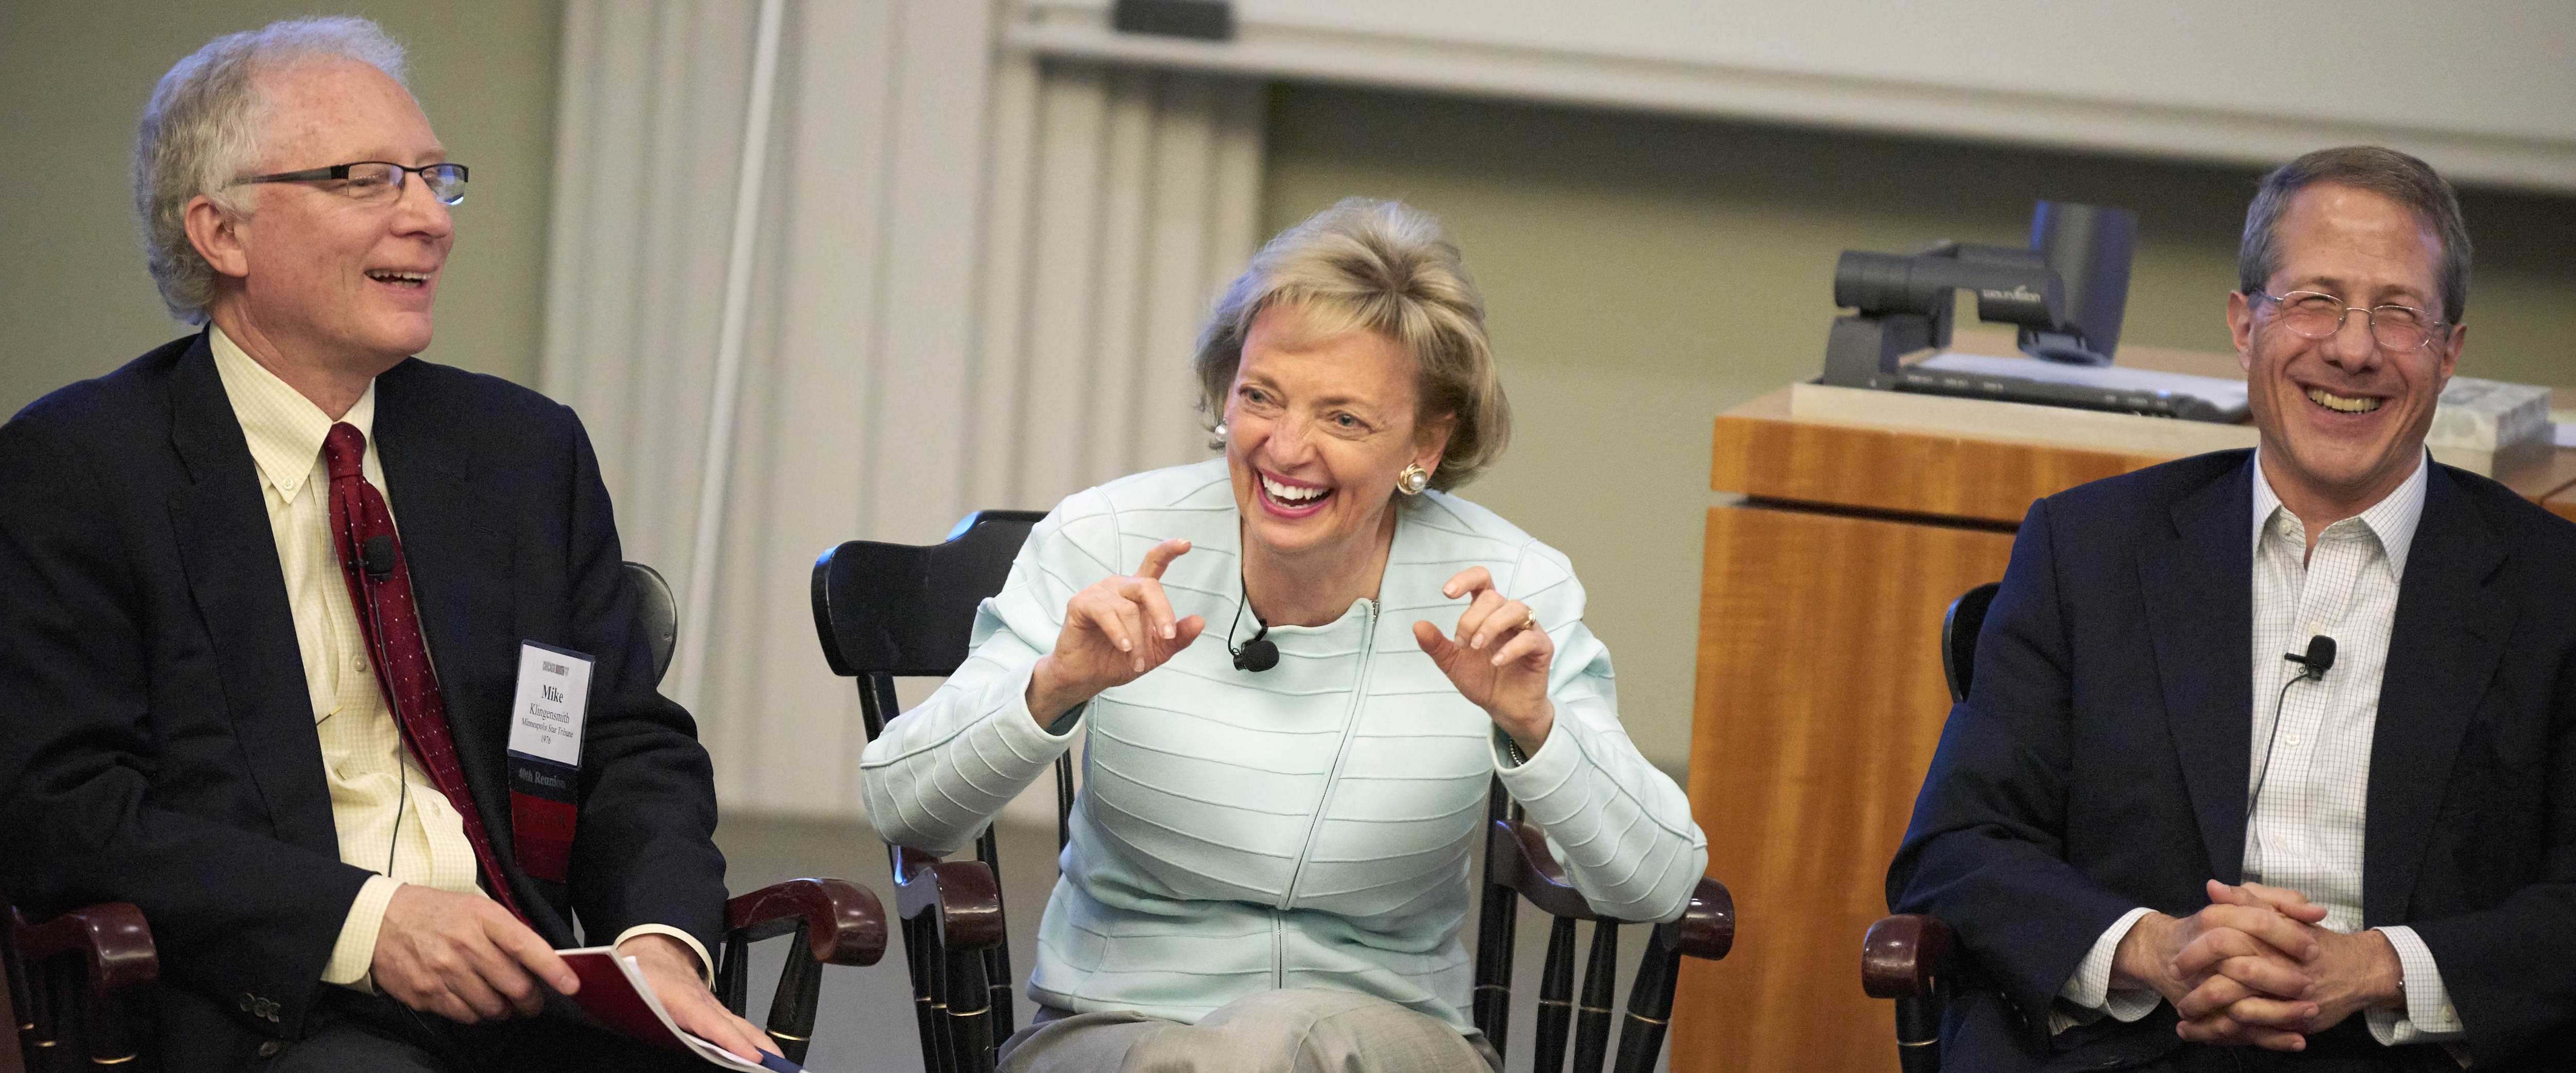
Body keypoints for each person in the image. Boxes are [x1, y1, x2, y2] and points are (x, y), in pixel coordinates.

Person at [0, 19, 778, 1071]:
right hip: (274, 1010)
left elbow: (626, 745)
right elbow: (68, 808)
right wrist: (370, 925)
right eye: (366, 180)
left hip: (536, 990)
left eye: (433, 178)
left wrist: (658, 942)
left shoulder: (521, 451)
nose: (427, 219)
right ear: (222, 233)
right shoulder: (80, 469)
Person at [859, 198, 1707, 1071]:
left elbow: (1657, 883)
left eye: (1344, 419)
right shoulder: (1104, 539)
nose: (1286, 449)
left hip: (1389, 1043)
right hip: (1111, 1030)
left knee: (1278, 1043)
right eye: (1261, 397)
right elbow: (904, 808)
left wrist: (1540, 730)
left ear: (1427, 440)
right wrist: (1049, 692)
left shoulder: (1510, 587)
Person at [1887, 145, 2576, 1071]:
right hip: (2132, 1046)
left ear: (2448, 352)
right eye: (2316, 300)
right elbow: (1957, 849)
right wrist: (2156, 951)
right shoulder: (2087, 552)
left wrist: (2379, 968)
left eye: (2398, 313)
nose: (2354, 350)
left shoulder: (2553, 591)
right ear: (2245, 326)